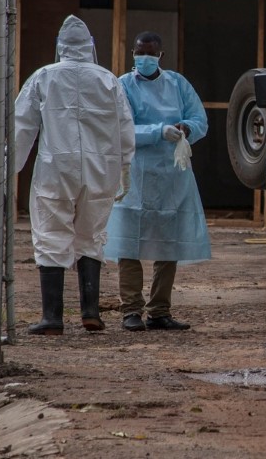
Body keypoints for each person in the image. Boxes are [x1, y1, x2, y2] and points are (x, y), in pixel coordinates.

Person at [15, 15, 135, 335]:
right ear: (90, 47)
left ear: (60, 47)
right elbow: (125, 127)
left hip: (56, 167)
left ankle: (52, 318)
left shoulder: (43, 78)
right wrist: (125, 168)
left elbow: (21, 127)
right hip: (101, 169)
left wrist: (9, 168)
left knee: (51, 233)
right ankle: (90, 312)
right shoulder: (109, 80)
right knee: (91, 236)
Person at [104, 31, 211, 331]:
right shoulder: (123, 85)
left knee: (168, 245)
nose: (144, 60)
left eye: (150, 55)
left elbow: (200, 119)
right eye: (140, 54)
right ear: (133, 55)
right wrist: (157, 131)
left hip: (170, 176)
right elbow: (120, 129)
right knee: (129, 243)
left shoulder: (177, 84)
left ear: (160, 56)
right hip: (134, 174)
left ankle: (160, 311)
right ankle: (131, 310)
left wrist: (185, 128)